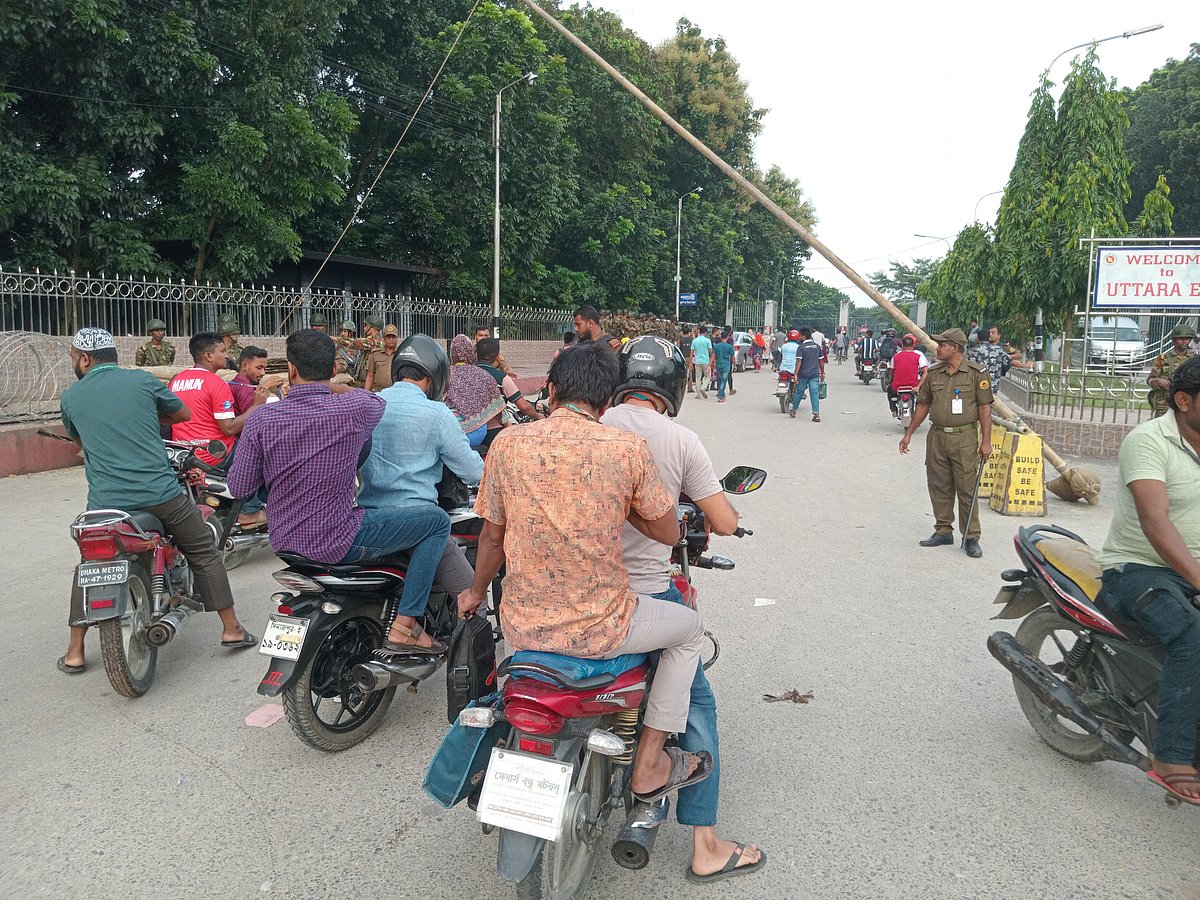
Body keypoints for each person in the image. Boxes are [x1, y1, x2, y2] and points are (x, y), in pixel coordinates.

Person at [456, 342, 712, 807]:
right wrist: (627, 507)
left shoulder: (509, 444)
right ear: (607, 399)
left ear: (551, 390)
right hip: (603, 627)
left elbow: (491, 540)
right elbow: (668, 530)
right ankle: (652, 759)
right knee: (690, 631)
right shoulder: (626, 449)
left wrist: (474, 593)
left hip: (523, 627)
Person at [600, 337, 765, 882]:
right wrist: (730, 516)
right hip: (648, 595)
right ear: (672, 385)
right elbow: (719, 519)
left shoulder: (591, 427)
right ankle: (706, 845)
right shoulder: (680, 440)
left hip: (577, 596)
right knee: (699, 702)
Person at [227, 330, 452, 653]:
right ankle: (405, 625)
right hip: (337, 540)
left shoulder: (262, 418)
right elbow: (375, 399)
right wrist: (328, 386)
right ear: (334, 369)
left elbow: (239, 487)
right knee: (436, 521)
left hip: (285, 542)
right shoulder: (354, 408)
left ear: (291, 369)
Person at [58, 328, 255, 674]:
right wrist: (148, 414)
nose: (74, 362)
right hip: (160, 495)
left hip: (106, 503)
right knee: (202, 550)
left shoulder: (71, 397)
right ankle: (231, 628)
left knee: (89, 565)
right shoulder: (141, 383)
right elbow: (179, 416)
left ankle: (75, 651)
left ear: (84, 359)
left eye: (73, 357)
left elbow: (79, 437)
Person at [1096, 356, 1200, 802]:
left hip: (1189, 571)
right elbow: (1155, 522)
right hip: (1138, 569)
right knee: (1192, 635)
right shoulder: (1149, 441)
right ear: (1183, 400)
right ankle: (1172, 755)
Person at [357, 334, 485, 648]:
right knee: (474, 598)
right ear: (432, 376)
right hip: (417, 524)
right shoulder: (436, 414)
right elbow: (471, 471)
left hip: (370, 520)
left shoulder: (371, 405)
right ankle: (470, 675)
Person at [899, 328, 993, 558]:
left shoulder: (976, 373)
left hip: (964, 437)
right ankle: (943, 530)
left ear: (955, 348)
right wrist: (909, 433)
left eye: (942, 345)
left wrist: (986, 442)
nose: (938, 348)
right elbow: (923, 405)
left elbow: (985, 409)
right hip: (937, 436)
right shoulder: (934, 373)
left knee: (966, 488)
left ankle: (971, 536)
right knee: (939, 485)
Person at [170, 334, 275, 526]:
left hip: (186, 454)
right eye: (223, 351)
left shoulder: (176, 380)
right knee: (258, 455)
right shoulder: (216, 384)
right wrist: (257, 406)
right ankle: (249, 511)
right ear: (209, 356)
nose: (227, 356)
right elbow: (229, 428)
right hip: (215, 455)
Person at [444, 334, 504, 446]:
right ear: (471, 352)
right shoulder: (483, 374)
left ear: (452, 354)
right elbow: (500, 409)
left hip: (451, 434)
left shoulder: (445, 375)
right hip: (478, 435)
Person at [476, 337, 543, 423]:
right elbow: (524, 407)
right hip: (494, 429)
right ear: (498, 357)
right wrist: (538, 416)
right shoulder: (501, 377)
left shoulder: (468, 372)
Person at [1147, 325, 1197, 418]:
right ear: (1174, 340)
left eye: (1187, 338)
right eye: (1181, 339)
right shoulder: (1163, 359)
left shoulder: (1194, 359)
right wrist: (1158, 382)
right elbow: (1150, 379)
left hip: (1187, 404)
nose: (1184, 341)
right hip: (1165, 404)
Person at [887, 335, 929, 417]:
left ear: (902, 345)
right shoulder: (918, 356)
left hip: (897, 387)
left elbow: (891, 372)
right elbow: (925, 372)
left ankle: (894, 410)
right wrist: (918, 386)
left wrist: (890, 381)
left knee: (889, 390)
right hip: (913, 386)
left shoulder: (895, 357)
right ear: (913, 345)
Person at [789, 327, 824, 422]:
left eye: (800, 335)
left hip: (803, 374)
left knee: (799, 393)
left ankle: (794, 411)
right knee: (814, 393)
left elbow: (798, 362)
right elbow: (821, 361)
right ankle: (816, 415)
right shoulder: (817, 346)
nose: (799, 337)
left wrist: (795, 374)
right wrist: (822, 372)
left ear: (804, 336)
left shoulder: (801, 347)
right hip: (814, 374)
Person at [363, 323, 399, 392]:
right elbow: (370, 375)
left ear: (397, 338)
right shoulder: (375, 354)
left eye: (393, 337)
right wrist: (366, 393)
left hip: (396, 392)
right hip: (379, 391)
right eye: (388, 337)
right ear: (383, 339)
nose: (391, 339)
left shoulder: (401, 354)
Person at [713, 329, 736, 402]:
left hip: (718, 364)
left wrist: (711, 364)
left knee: (719, 379)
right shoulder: (730, 347)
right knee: (724, 381)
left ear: (720, 337)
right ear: (727, 337)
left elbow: (713, 356)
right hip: (726, 365)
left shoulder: (716, 346)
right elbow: (732, 357)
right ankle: (721, 395)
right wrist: (735, 365)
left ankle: (720, 392)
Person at [691, 326, 713, 400]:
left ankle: (698, 394)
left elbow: (691, 353)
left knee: (698, 377)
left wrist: (691, 363)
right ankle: (703, 388)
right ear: (706, 333)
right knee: (708, 376)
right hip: (705, 361)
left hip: (697, 361)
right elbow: (711, 351)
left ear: (699, 332)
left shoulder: (694, 340)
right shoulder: (707, 341)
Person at [678, 325, 695, 391]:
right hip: (690, 357)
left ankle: (681, 387)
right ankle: (690, 388)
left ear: (682, 332)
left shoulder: (680, 340)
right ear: (689, 332)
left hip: (682, 357)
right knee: (690, 372)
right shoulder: (692, 340)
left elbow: (677, 348)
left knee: (682, 373)